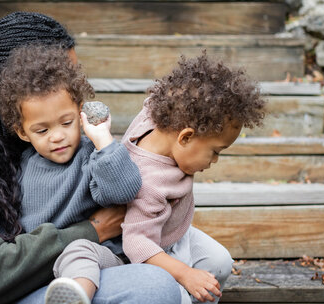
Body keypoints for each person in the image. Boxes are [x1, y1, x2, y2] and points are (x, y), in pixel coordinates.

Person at [0, 12, 181, 304]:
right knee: (153, 287)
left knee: (199, 262)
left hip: (57, 271)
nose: (69, 87)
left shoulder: (36, 138)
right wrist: (94, 230)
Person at [50, 52, 266, 304]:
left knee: (219, 262)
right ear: (185, 137)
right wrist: (184, 274)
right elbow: (137, 244)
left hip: (170, 231)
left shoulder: (155, 116)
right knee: (81, 253)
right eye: (215, 151)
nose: (214, 161)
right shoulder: (150, 184)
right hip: (140, 250)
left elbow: (164, 98)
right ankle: (80, 295)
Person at [0, 44, 142, 303]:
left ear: (79, 113)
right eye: (42, 131)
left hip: (97, 258)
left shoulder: (92, 157)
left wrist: (103, 140)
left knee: (78, 250)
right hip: (43, 267)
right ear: (22, 132)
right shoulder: (23, 166)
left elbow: (125, 190)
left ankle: (76, 297)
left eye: (66, 122)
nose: (58, 136)